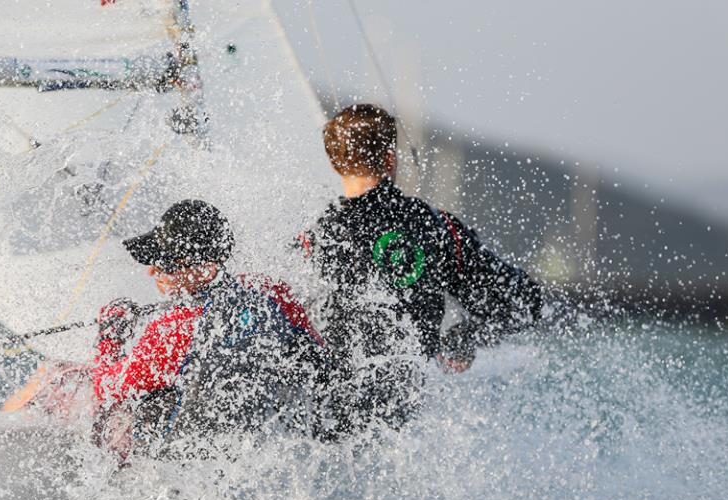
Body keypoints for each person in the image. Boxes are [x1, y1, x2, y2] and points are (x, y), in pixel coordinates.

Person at [297, 104, 542, 438]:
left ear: (334, 163)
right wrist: (465, 337)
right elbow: (525, 301)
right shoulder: (437, 228)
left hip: (328, 421)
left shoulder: (315, 239)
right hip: (405, 427)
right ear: (390, 159)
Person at [92, 199, 322, 455]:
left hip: (192, 455)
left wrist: (110, 334)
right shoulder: (270, 292)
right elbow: (316, 351)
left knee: (93, 394)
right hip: (273, 436)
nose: (152, 272)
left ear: (203, 268)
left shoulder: (172, 330)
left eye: (164, 264)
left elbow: (106, 388)